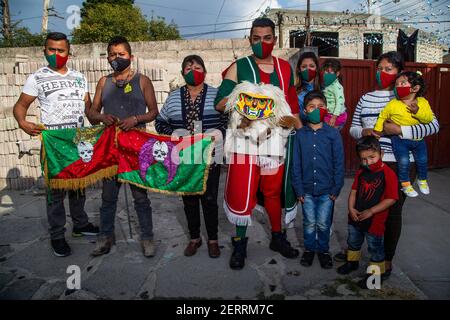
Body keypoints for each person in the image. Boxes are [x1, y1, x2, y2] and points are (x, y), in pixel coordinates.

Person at [215, 17, 301, 270]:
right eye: (256, 38)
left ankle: (277, 237)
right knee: (244, 193)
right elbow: (219, 103)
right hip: (244, 144)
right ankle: (240, 243)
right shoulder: (239, 66)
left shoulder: (285, 68)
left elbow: (293, 107)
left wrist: (295, 125)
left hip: (275, 144)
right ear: (249, 40)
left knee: (273, 193)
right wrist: (247, 100)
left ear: (275, 39)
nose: (261, 42)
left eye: (267, 38)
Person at [347, 51, 439, 277]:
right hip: (371, 164)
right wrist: (364, 131)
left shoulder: (411, 99)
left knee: (391, 214)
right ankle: (356, 252)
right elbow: (352, 128)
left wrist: (400, 130)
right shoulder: (366, 98)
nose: (382, 73)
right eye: (379, 69)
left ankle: (385, 262)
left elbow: (433, 126)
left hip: (401, 164)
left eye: (388, 69)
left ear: (401, 73)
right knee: (363, 208)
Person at [13, 32, 99, 257]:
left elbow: (88, 109)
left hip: (78, 141)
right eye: (52, 49)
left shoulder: (80, 77)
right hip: (54, 143)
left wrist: (102, 122)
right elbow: (20, 105)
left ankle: (80, 225)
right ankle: (57, 235)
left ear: (68, 53)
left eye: (61, 50)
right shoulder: (37, 78)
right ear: (44, 50)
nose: (56, 54)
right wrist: (22, 122)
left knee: (79, 187)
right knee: (56, 193)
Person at [88, 36, 159, 258]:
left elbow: (154, 111)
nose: (116, 58)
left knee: (140, 197)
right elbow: (91, 113)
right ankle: (105, 237)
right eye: (112, 54)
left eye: (121, 54)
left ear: (131, 56)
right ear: (107, 57)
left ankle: (147, 237)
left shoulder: (142, 80)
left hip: (137, 149)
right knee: (108, 197)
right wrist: (101, 116)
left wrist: (136, 119)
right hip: (111, 148)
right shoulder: (103, 82)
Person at [155, 55, 228, 258]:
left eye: (197, 67)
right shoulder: (173, 97)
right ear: (182, 74)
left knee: (210, 199)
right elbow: (160, 121)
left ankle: (213, 240)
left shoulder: (216, 95)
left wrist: (216, 136)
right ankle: (194, 238)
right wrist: (175, 136)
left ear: (204, 71)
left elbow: (228, 120)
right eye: (188, 68)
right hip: (184, 158)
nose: (193, 71)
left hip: (210, 157)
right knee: (189, 200)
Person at [291, 90, 344, 269]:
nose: (316, 109)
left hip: (327, 191)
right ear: (304, 111)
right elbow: (296, 164)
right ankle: (309, 250)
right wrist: (298, 189)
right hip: (306, 190)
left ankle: (323, 251)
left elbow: (339, 162)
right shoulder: (300, 135)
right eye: (312, 107)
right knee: (308, 222)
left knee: (323, 223)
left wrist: (336, 189)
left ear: (326, 109)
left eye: (320, 106)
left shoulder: (333, 134)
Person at [337, 136, 398, 289]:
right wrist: (351, 208)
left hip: (375, 221)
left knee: (375, 249)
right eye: (364, 159)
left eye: (372, 157)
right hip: (356, 217)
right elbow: (353, 191)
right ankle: (352, 263)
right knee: (353, 242)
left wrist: (371, 211)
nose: (368, 162)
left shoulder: (388, 174)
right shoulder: (361, 171)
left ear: (381, 154)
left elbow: (391, 199)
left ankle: (375, 277)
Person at [374, 71, 432, 197]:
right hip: (399, 140)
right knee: (403, 161)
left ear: (415, 88)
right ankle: (405, 184)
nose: (398, 86)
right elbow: (382, 116)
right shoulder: (393, 103)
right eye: (396, 84)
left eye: (402, 83)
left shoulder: (422, 102)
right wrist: (377, 131)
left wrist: (418, 112)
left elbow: (428, 119)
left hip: (418, 139)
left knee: (422, 160)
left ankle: (422, 180)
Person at [320, 58, 347, 130]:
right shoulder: (327, 84)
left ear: (337, 74)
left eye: (331, 72)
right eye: (326, 71)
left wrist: (334, 117)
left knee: (331, 136)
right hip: (328, 114)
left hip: (336, 117)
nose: (328, 73)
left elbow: (340, 102)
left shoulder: (337, 86)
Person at [296, 51, 320, 123]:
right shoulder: (294, 91)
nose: (308, 69)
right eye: (304, 67)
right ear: (299, 70)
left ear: (317, 69)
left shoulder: (325, 89)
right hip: (301, 131)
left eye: (311, 66)